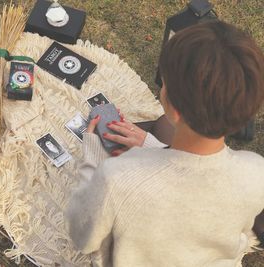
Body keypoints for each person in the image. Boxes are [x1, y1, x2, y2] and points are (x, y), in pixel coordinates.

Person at [65, 20, 264, 267]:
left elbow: (83, 238)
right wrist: (153, 147)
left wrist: (94, 159)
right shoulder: (257, 171)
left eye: (166, 83)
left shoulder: (116, 179)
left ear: (175, 109)